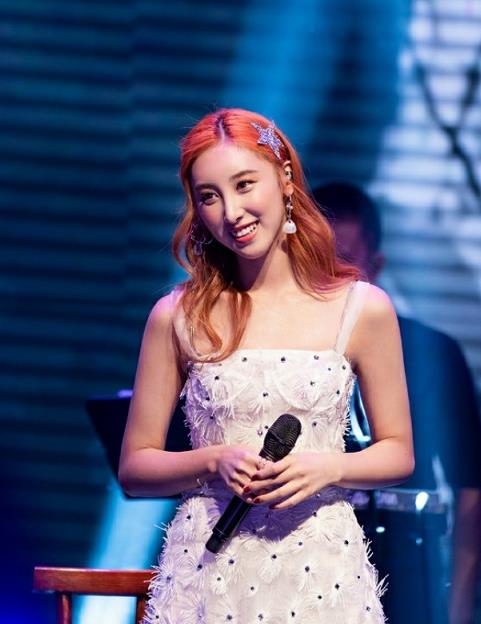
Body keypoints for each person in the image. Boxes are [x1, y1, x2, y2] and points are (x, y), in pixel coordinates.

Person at [118, 109, 414, 623]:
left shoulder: (361, 308)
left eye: (244, 185)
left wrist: (330, 467)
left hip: (321, 571)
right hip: (209, 569)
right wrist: (213, 460)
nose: (232, 212)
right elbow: (135, 469)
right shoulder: (177, 315)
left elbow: (398, 452)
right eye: (209, 196)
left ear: (285, 179)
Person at [312, 182, 481, 624]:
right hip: (303, 560)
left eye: (345, 262)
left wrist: (458, 610)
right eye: (316, 261)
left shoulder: (432, 353)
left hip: (406, 567)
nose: (330, 277)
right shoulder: (279, 351)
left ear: (377, 265)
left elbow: (471, 492)